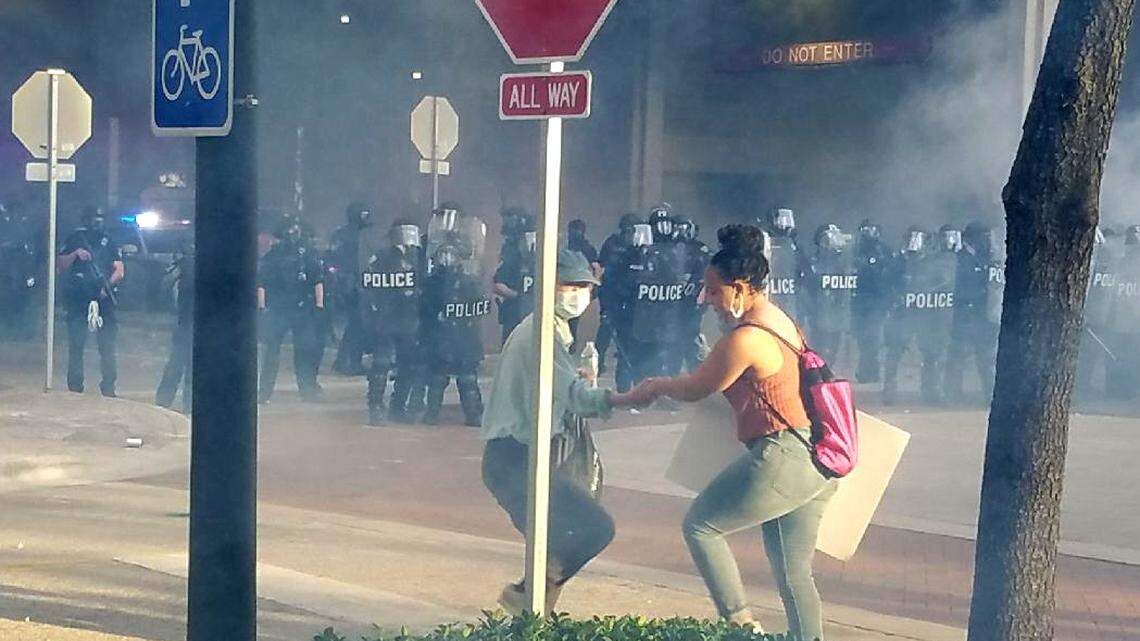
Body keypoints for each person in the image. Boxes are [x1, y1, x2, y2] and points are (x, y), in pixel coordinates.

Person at [627, 224, 836, 639]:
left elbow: (696, 388)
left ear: (740, 288)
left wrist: (656, 386)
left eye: (713, 290)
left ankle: (742, 624)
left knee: (701, 527)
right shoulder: (780, 321)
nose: (707, 300)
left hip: (783, 457)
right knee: (795, 574)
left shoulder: (745, 338)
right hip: (816, 457)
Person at [482, 248, 646, 614]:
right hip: (515, 458)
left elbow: (561, 388)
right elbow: (573, 395)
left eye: (583, 287)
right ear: (545, 288)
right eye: (567, 285)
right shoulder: (539, 335)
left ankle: (535, 610)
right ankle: (528, 597)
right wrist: (621, 398)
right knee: (591, 530)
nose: (576, 294)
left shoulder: (554, 332)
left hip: (527, 453)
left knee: (557, 542)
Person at [361, 220, 426, 425]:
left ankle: (398, 406)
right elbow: (369, 286)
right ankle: (376, 407)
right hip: (387, 317)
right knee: (382, 363)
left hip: (410, 317)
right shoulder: (382, 257)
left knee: (409, 364)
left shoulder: (419, 256)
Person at [882, 227, 956, 405]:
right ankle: (889, 390)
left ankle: (931, 392)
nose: (915, 244)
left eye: (920, 239)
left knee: (932, 353)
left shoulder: (934, 262)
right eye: (913, 239)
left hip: (926, 316)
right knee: (895, 352)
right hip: (902, 315)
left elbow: (940, 285)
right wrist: (894, 300)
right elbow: (886, 284)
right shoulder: (897, 262)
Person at [57, 207, 125, 396]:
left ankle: (109, 387)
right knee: (76, 344)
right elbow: (60, 266)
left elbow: (119, 270)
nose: (96, 222)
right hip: (79, 297)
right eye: (93, 219)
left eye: (99, 219)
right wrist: (75, 254)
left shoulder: (109, 241)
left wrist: (106, 288)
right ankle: (75, 387)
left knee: (107, 346)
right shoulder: (75, 239)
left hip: (104, 298)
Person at [421, 239, 489, 426]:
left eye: (451, 255)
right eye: (443, 255)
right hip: (441, 335)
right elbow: (425, 308)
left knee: (467, 378)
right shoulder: (433, 282)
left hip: (464, 335)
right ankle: (432, 413)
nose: (446, 259)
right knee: (437, 377)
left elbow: (481, 306)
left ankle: (473, 413)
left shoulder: (469, 281)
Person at [257, 220, 325, 403]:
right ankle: (304, 391)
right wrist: (319, 305)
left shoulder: (280, 254)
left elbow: (317, 280)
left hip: (289, 309)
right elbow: (262, 283)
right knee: (296, 352)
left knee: (290, 352)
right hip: (288, 309)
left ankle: (267, 394)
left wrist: (262, 307)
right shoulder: (301, 254)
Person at [945, 221, 1004, 404]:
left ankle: (990, 396)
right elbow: (962, 288)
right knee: (958, 358)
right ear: (973, 238)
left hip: (984, 318)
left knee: (986, 360)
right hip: (965, 317)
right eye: (985, 237)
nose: (988, 241)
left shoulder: (984, 259)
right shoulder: (959, 259)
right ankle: (952, 396)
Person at [330, 202, 373, 375]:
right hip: (355, 286)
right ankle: (349, 362)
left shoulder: (341, 234)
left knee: (356, 325)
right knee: (358, 325)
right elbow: (358, 262)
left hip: (347, 285)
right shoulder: (356, 235)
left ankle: (346, 361)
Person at [595, 213, 641, 374]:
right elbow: (601, 266)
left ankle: (625, 363)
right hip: (612, 291)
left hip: (630, 295)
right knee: (606, 326)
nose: (631, 234)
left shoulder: (639, 247)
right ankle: (598, 361)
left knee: (626, 331)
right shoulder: (612, 243)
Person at [807, 224, 856, 364]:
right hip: (818, 312)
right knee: (819, 344)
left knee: (835, 345)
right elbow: (808, 287)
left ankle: (829, 369)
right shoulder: (814, 262)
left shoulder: (845, 262)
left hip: (837, 312)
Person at [155, 244, 194, 413]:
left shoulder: (183, 265)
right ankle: (189, 404)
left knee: (176, 363)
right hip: (197, 322)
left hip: (185, 320)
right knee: (190, 365)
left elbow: (166, 283)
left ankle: (163, 401)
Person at [852, 219, 890, 383]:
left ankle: (871, 371)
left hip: (877, 300)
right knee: (862, 338)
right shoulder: (854, 250)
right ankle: (866, 370)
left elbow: (888, 275)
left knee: (874, 337)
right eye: (864, 230)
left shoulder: (884, 251)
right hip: (859, 300)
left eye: (871, 230)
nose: (868, 233)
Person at [759, 207, 808, 327]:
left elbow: (806, 272)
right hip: (770, 302)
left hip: (790, 304)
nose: (784, 225)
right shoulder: (764, 246)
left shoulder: (794, 247)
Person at [493, 218, 537, 345]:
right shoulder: (513, 259)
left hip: (535, 315)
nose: (531, 241)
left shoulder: (545, 260)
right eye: (528, 237)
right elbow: (497, 285)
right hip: (514, 315)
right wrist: (518, 296)